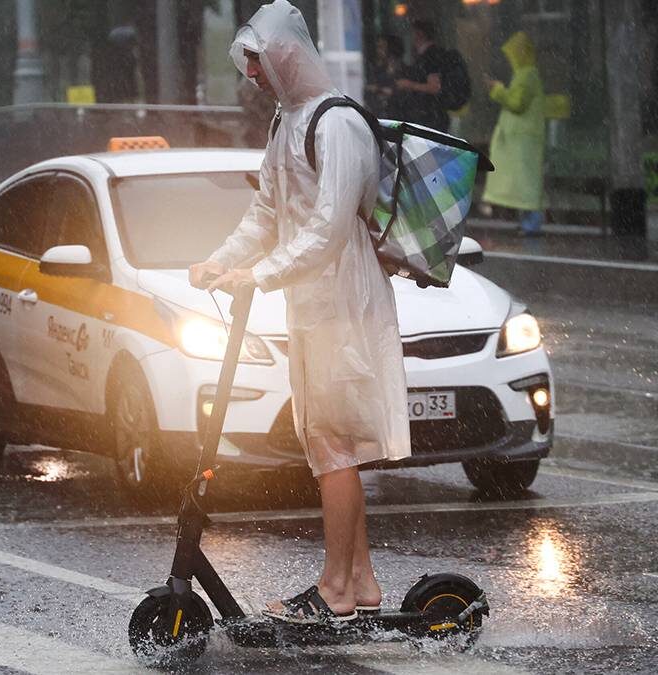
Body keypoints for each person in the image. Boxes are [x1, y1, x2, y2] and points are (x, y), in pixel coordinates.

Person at [188, 0, 410, 625]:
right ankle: (359, 580)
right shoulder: (286, 123)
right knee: (327, 443)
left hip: (345, 302)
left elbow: (329, 229)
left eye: (260, 61)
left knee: (334, 445)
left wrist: (257, 275)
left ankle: (337, 587)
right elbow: (267, 213)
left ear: (286, 54)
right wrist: (220, 261)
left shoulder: (337, 124)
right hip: (310, 302)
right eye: (250, 64)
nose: (254, 75)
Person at [481, 31, 546, 236]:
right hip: (521, 140)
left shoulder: (527, 74)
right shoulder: (526, 74)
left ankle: (531, 224)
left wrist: (498, 89)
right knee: (524, 183)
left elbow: (517, 103)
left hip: (522, 141)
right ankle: (528, 222)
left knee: (526, 183)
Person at [395, 19, 451, 132]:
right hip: (429, 115)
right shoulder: (427, 55)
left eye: (413, 33)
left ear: (420, 34)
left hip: (431, 117)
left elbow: (434, 87)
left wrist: (409, 85)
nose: (411, 38)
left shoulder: (431, 55)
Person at [365, 33, 407, 119]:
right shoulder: (376, 70)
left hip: (398, 117)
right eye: (378, 47)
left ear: (390, 49)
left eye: (381, 47)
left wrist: (377, 89)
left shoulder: (405, 71)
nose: (378, 50)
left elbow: (397, 93)